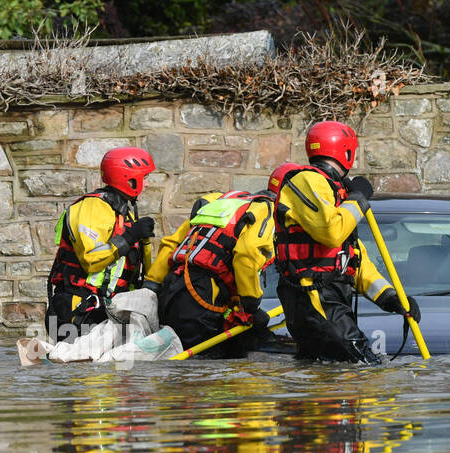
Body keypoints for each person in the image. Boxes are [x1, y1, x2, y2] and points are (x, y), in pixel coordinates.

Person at [271, 121, 421, 363]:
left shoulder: (334, 193)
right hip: (314, 296)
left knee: (332, 375)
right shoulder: (305, 180)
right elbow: (331, 231)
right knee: (365, 365)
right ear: (347, 152)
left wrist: (389, 297)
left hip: (329, 296)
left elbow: (354, 259)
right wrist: (358, 200)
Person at [142, 189, 275, 359]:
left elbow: (171, 243)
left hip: (171, 287)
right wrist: (251, 304)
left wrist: (152, 284)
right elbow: (246, 255)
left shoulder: (222, 203)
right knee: (201, 369)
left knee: (178, 363)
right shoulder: (267, 210)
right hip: (201, 295)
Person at [47, 146, 157, 333]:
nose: (147, 184)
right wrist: (131, 236)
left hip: (104, 310)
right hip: (79, 309)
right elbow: (91, 259)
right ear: (128, 178)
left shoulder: (120, 212)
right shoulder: (93, 207)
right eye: (144, 178)